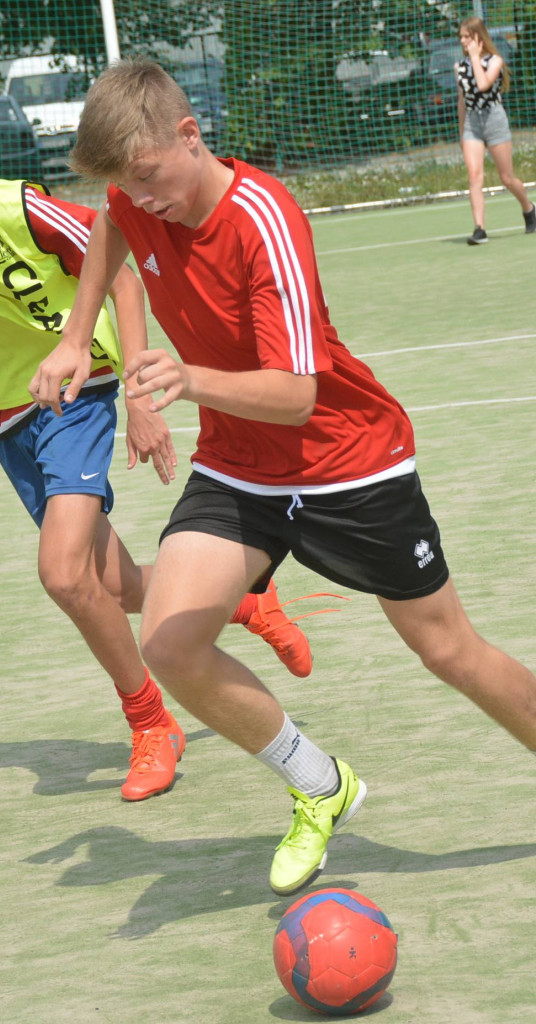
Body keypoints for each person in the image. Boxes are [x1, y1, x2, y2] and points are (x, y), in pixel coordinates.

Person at [30, 59, 536, 896]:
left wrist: (187, 381)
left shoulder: (264, 219)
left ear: (190, 136)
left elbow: (298, 396)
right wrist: (78, 336)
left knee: (448, 649)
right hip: (239, 464)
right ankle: (321, 786)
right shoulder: (131, 195)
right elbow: (108, 228)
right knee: (168, 638)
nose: (141, 197)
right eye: (127, 184)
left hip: (348, 460)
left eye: (151, 176)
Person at [0, 73, 316, 805]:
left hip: (75, 386)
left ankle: (150, 720)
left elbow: (122, 275)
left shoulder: (18, 207)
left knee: (63, 575)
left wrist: (135, 387)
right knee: (110, 584)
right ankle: (244, 601)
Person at [455, 16, 535, 245]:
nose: (462, 41)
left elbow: (483, 85)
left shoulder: (495, 61)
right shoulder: (459, 67)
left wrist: (474, 58)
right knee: (474, 176)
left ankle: (529, 209)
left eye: (466, 37)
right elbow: (462, 100)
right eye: (461, 37)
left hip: (494, 120)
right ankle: (479, 229)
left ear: (478, 38)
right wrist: (462, 132)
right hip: (473, 123)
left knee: (507, 178)